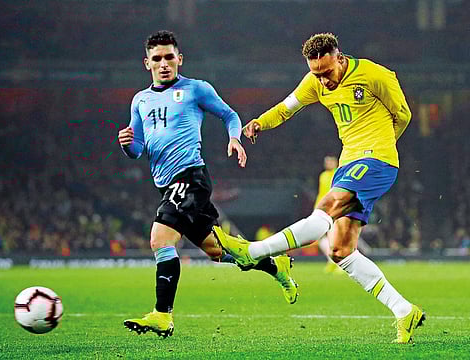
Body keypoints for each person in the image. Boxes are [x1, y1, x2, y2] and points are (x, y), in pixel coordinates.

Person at [213, 33, 425, 344]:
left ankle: (252, 251)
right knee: (341, 251)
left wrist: (382, 145)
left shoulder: (376, 74)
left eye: (327, 73)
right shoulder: (314, 80)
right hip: (348, 164)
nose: (323, 81)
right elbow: (287, 107)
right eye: (317, 74)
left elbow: (403, 114)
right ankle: (404, 310)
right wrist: (260, 122)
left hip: (377, 160)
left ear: (340, 59)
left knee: (323, 211)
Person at [118, 30, 298, 338]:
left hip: (191, 177)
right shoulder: (141, 101)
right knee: (219, 251)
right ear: (147, 63)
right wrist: (126, 144)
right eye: (157, 59)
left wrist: (234, 138)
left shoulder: (195, 89)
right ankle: (276, 266)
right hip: (166, 185)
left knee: (160, 240)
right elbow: (138, 150)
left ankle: (163, 315)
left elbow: (229, 115)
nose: (164, 64)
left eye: (169, 57)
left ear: (179, 59)